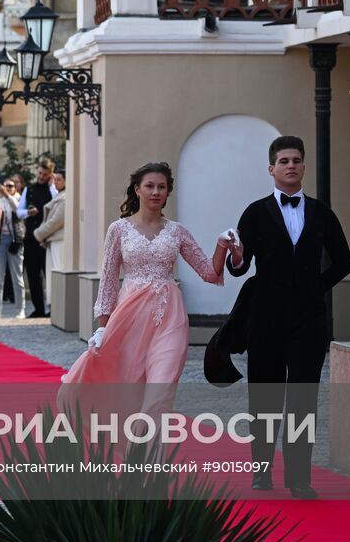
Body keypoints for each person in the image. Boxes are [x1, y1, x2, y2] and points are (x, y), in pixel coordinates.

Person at [227, 136, 350, 500]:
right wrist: (236, 255)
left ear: (303, 167)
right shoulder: (255, 212)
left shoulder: (320, 212)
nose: (291, 166)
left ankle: (299, 478)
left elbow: (343, 262)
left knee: (302, 398)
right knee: (263, 396)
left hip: (308, 320)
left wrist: (314, 287)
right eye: (284, 161)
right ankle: (261, 472)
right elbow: (240, 267)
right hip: (265, 316)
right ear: (272, 169)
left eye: (297, 160)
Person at [61, 163, 235, 420]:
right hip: (129, 319)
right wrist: (101, 327)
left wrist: (222, 244)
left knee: (160, 392)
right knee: (129, 392)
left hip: (170, 319)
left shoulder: (177, 231)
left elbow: (209, 272)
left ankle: (151, 455)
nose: (156, 192)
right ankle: (135, 454)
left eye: (161, 187)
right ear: (137, 190)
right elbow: (108, 279)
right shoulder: (119, 229)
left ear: (167, 192)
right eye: (150, 186)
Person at [18, 158, 58, 318]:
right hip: (30, 238)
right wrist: (28, 213)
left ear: (50, 175)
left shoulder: (53, 190)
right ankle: (38, 309)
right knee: (33, 275)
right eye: (40, 173)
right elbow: (19, 210)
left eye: (45, 174)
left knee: (48, 274)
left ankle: (53, 308)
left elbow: (58, 203)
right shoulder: (29, 189)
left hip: (47, 239)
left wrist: (52, 185)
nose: (41, 176)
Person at [0, 179, 26, 320]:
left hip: (15, 240)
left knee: (17, 276)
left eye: (10, 186)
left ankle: (20, 309)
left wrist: (7, 196)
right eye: (5, 187)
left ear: (15, 188)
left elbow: (18, 210)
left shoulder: (18, 199)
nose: (7, 189)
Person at [35, 170, 68, 275]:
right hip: (52, 241)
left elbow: (56, 221)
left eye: (59, 179)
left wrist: (39, 233)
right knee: (52, 275)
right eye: (55, 179)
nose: (56, 182)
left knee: (57, 273)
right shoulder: (60, 195)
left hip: (59, 240)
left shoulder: (65, 197)